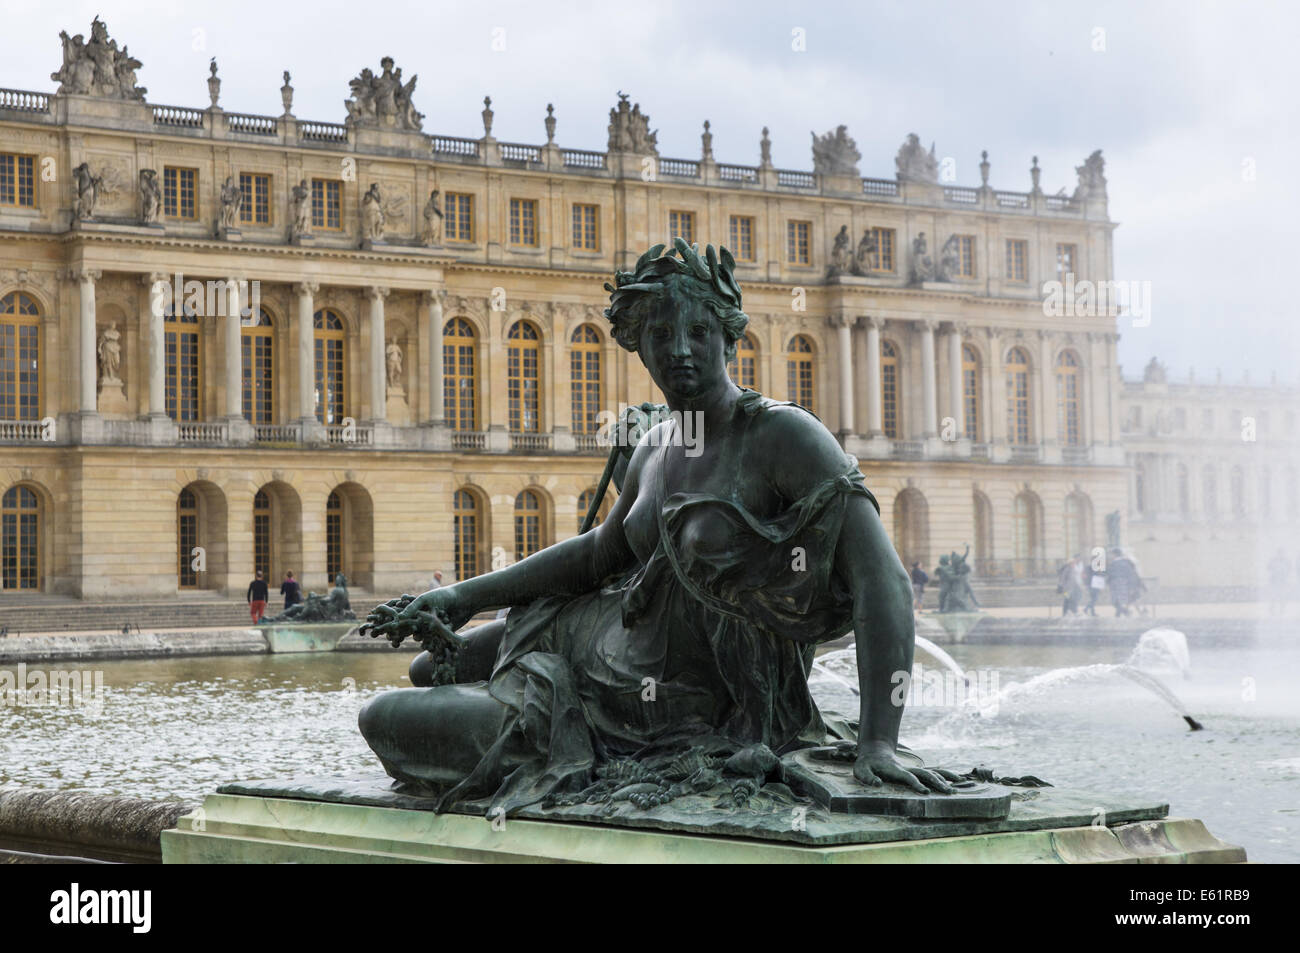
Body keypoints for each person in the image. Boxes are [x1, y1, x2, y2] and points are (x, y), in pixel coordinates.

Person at [359, 240, 953, 817]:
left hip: (663, 706)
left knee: (386, 717)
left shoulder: (781, 436)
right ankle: (523, 708)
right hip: (595, 643)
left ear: (730, 339)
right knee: (428, 669)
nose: (681, 350)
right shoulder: (656, 445)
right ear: (638, 346)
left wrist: (878, 739)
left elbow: (885, 582)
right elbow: (598, 553)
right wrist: (461, 595)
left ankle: (556, 737)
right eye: (661, 334)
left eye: (698, 332)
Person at [1266, 549, 1290, 616]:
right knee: (1274, 595)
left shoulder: (1286, 561)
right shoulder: (1274, 560)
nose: (1280, 555)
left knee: (1282, 595)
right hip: (1275, 580)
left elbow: (1289, 569)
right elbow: (1268, 567)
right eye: (1280, 553)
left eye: (1281, 553)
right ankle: (1272, 608)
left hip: (1282, 580)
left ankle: (1281, 609)